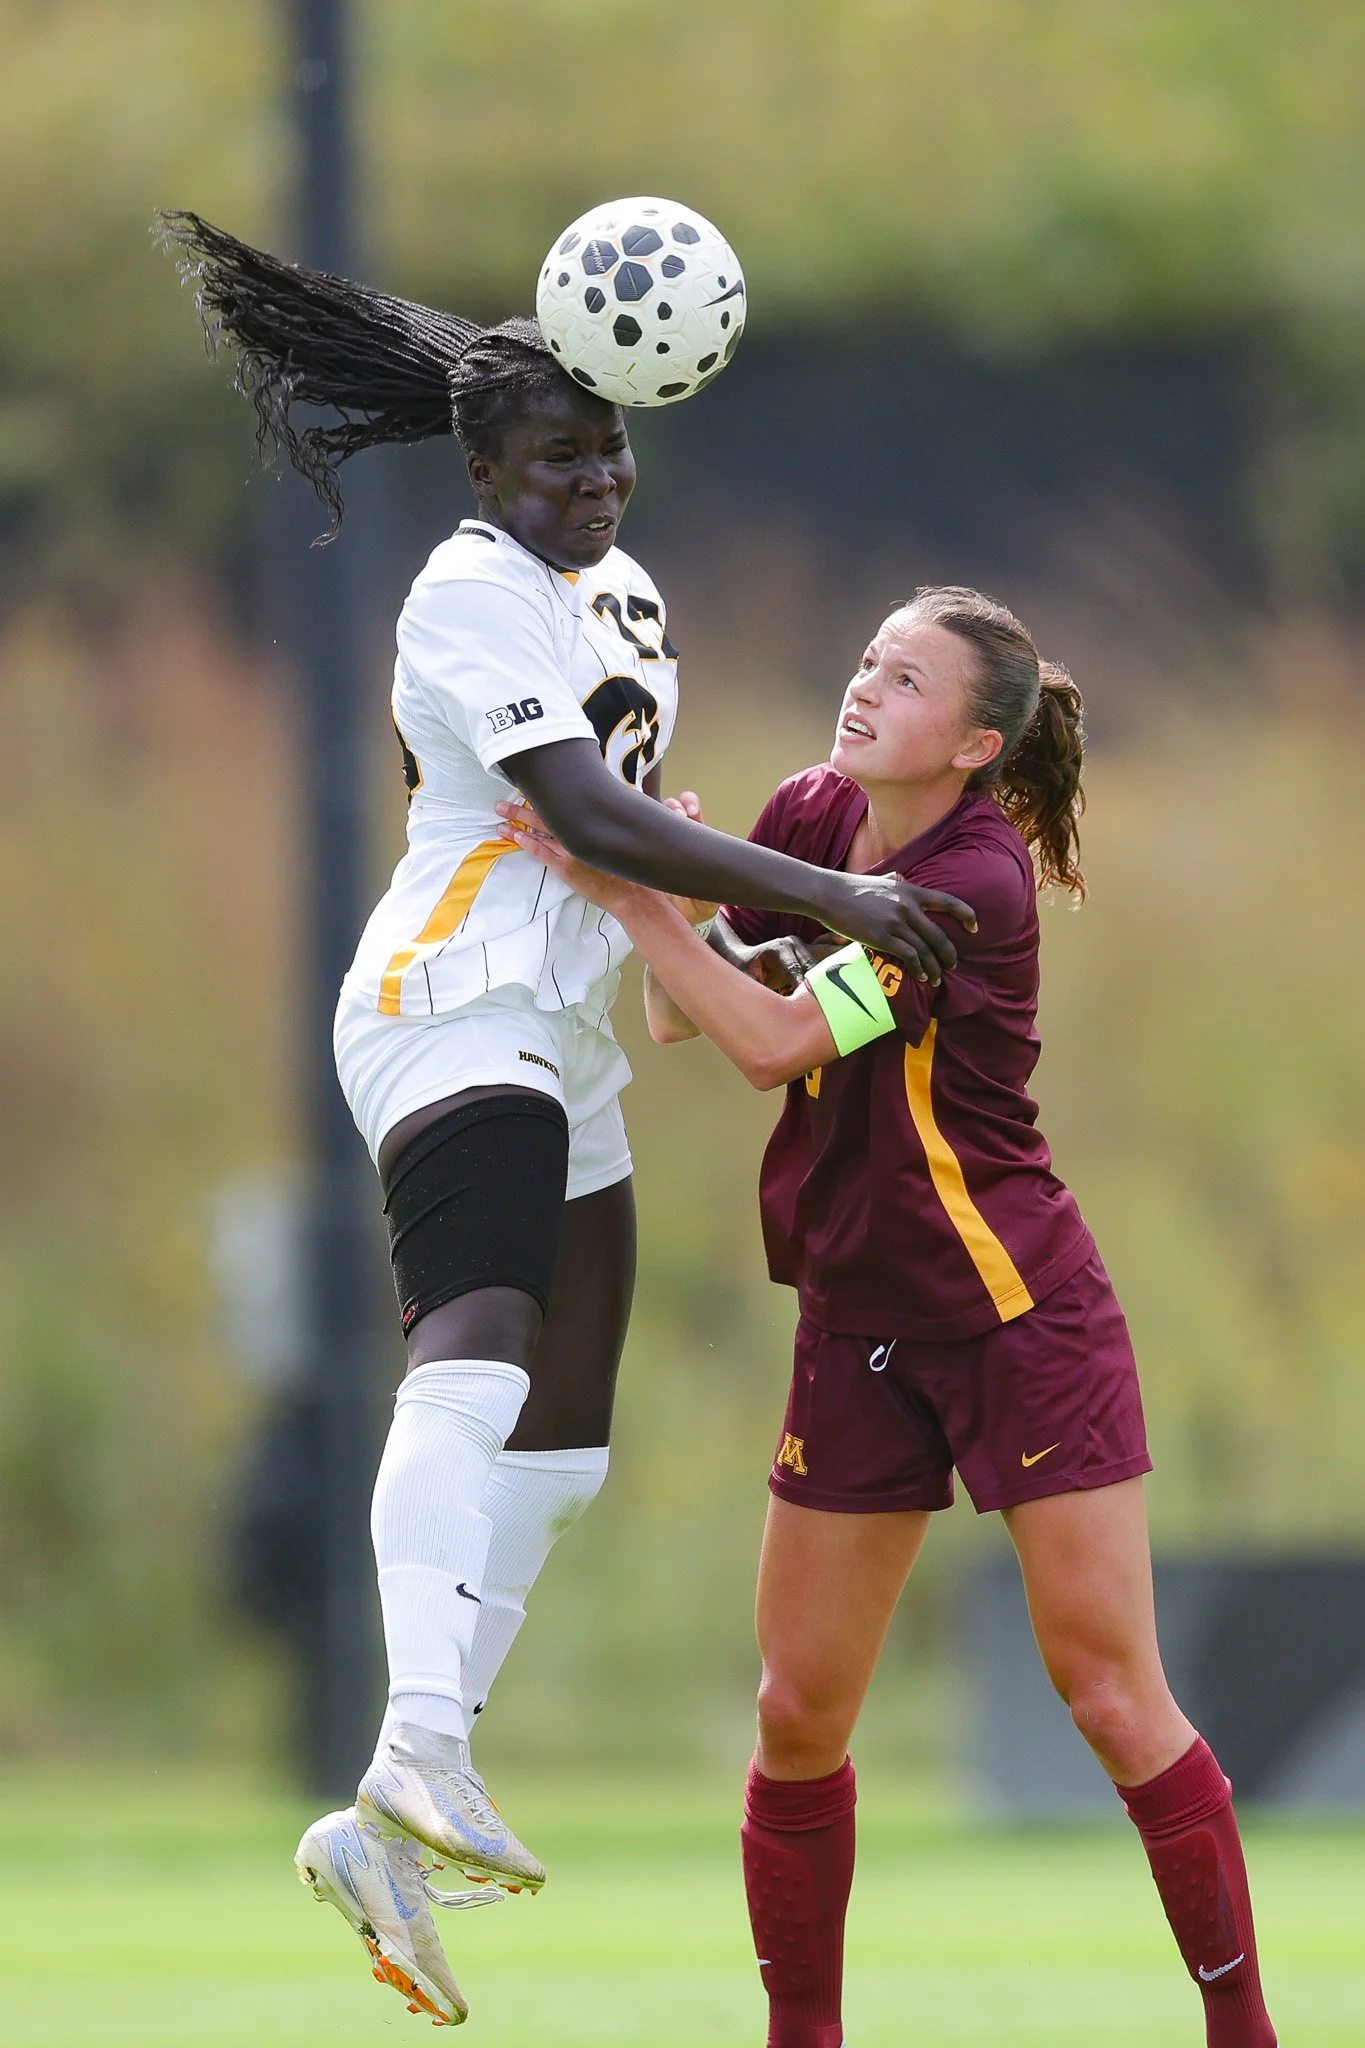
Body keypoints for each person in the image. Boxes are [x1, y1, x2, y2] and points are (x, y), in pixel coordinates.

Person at [157, 214, 976, 2028]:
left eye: (609, 451)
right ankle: (418, 1750)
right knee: (474, 1344)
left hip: (566, 1031)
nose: (594, 480)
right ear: (484, 474)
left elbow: (633, 823)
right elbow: (583, 818)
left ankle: (389, 1814)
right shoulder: (463, 589)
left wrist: (742, 933)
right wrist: (831, 897)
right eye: (556, 458)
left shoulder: (629, 595)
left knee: (568, 1438)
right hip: (452, 1003)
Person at [502, 584, 1278, 2048]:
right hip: (855, 1318)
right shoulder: (809, 813)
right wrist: (672, 901)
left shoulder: (975, 883)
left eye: (907, 679)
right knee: (797, 1714)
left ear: (978, 746)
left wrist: (631, 890)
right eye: (869, 660)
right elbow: (681, 1014)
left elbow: (773, 1043)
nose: (865, 687)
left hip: (1014, 1316)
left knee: (1110, 1696)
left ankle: (1244, 2029)